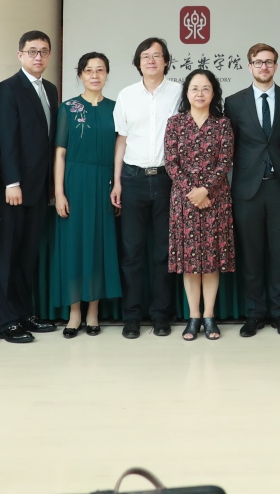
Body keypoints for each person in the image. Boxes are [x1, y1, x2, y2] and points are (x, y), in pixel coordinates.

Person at [0, 30, 60, 343]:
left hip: (39, 189)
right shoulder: (8, 89)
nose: (38, 56)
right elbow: (5, 139)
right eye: (32, 51)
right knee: (7, 255)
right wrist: (12, 182)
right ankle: (5, 321)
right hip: (14, 190)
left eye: (43, 51)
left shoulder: (50, 90)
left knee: (27, 256)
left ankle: (23, 314)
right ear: (20, 55)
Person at [112, 37, 183, 339]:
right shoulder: (126, 95)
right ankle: (131, 317)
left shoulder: (180, 93)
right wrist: (117, 182)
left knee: (163, 253)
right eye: (145, 56)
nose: (151, 61)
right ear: (138, 63)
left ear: (166, 61)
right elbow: (122, 140)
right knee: (132, 253)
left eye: (156, 56)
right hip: (132, 178)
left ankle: (160, 315)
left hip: (168, 179)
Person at [224, 43, 280, 337]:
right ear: (249, 66)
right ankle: (254, 313)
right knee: (251, 256)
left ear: (276, 66)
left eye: (269, 62)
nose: (263, 67)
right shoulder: (234, 102)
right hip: (247, 190)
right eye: (258, 62)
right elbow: (229, 147)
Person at [51, 51, 121, 338]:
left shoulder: (116, 108)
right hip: (74, 182)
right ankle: (74, 312)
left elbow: (120, 150)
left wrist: (117, 184)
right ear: (80, 74)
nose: (94, 75)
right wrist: (59, 192)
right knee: (74, 246)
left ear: (107, 74)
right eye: (89, 70)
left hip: (103, 183)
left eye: (100, 70)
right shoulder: (68, 108)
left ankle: (93, 311)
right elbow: (60, 153)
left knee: (98, 245)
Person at [164, 69, 236, 341]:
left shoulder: (222, 124)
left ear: (214, 92)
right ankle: (193, 317)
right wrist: (192, 192)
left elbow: (225, 161)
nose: (200, 93)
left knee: (211, 260)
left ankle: (209, 316)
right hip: (184, 202)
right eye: (194, 88)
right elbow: (171, 162)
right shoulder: (175, 123)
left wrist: (205, 190)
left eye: (206, 88)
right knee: (190, 261)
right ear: (186, 92)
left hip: (215, 199)